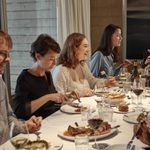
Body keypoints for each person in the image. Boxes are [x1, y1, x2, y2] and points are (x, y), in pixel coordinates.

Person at [13, 34, 79, 120]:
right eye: (51, 59)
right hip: (36, 124)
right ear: (38, 56)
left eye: (55, 59)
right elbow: (19, 111)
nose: (55, 63)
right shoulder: (25, 78)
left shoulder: (47, 74)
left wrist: (67, 96)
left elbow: (53, 99)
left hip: (51, 119)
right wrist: (48, 97)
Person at [0, 30, 42, 145]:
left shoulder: (1, 83)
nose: (8, 59)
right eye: (2, 53)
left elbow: (8, 118)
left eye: (8, 54)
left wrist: (25, 126)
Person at [52, 33, 115, 97]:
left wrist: (106, 82)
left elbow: (92, 82)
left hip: (87, 105)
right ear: (74, 48)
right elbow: (58, 98)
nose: (88, 50)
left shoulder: (82, 65)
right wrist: (80, 94)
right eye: (85, 46)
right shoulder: (61, 70)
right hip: (72, 107)